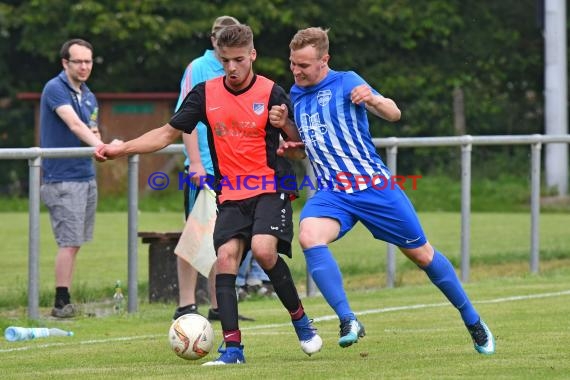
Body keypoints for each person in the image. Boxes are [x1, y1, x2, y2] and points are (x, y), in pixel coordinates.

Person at [94, 24, 322, 365]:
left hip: (272, 187)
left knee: (262, 250)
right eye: (225, 60)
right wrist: (122, 149)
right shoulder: (205, 93)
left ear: (253, 56)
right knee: (226, 258)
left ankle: (301, 321)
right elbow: (167, 133)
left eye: (239, 60)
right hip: (229, 192)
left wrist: (285, 124)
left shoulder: (273, 93)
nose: (232, 68)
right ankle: (233, 350)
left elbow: (300, 149)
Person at [272, 27, 495, 355]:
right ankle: (348, 319)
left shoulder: (347, 81)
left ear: (324, 60)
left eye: (303, 65)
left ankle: (473, 320)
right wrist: (289, 139)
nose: (296, 70)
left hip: (374, 188)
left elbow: (393, 113)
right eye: (293, 63)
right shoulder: (297, 94)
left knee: (422, 255)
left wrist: (373, 98)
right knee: (308, 234)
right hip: (333, 193)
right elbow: (306, 147)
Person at [172, 15, 245, 322]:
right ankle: (186, 304)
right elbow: (184, 120)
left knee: (225, 238)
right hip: (205, 168)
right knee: (196, 235)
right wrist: (197, 162)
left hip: (232, 168)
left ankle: (219, 305)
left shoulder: (239, 66)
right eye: (220, 37)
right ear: (213, 39)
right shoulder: (198, 68)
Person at [40, 39, 105, 318]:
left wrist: (101, 143)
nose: (84, 67)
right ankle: (60, 302)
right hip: (61, 177)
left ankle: (65, 299)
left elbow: (91, 128)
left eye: (88, 61)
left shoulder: (89, 95)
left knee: (76, 241)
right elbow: (74, 124)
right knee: (68, 241)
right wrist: (98, 147)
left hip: (85, 174)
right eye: (78, 61)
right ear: (65, 63)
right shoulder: (55, 88)